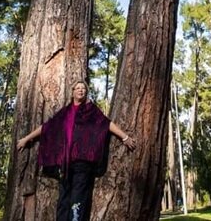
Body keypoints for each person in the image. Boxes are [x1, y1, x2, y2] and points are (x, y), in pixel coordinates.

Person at [17, 80, 135, 221]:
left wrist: (125, 137)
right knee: (63, 199)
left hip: (82, 162)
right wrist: (26, 139)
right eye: (77, 88)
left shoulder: (91, 110)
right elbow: (47, 127)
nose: (80, 90)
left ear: (86, 92)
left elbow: (106, 123)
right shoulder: (65, 112)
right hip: (64, 163)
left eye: (83, 88)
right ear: (72, 91)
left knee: (78, 199)